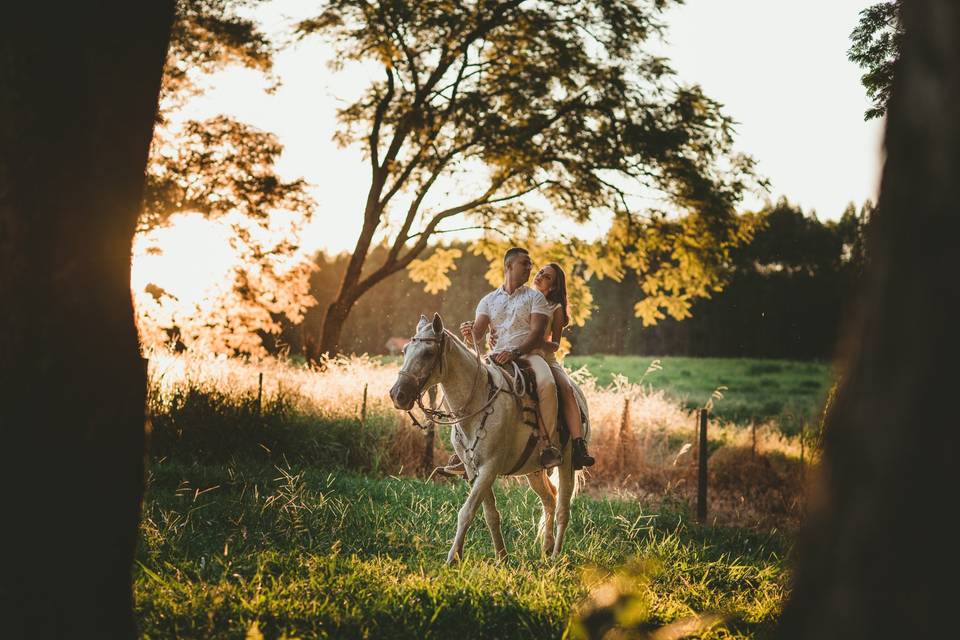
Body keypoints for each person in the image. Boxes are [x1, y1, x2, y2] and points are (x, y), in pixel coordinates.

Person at [458, 247, 563, 469]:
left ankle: (548, 445)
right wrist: (469, 333)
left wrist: (515, 352)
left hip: (527, 357)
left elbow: (536, 334)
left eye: (530, 264)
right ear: (509, 266)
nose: (529, 268)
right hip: (494, 360)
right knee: (469, 384)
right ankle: (464, 449)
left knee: (547, 384)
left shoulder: (536, 298)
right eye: (524, 263)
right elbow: (477, 335)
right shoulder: (487, 300)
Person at [529, 263, 595, 469]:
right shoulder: (524, 299)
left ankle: (578, 444)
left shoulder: (555, 308)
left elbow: (555, 344)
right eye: (540, 272)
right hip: (521, 356)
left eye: (547, 277)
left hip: (545, 358)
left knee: (565, 389)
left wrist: (538, 342)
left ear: (554, 287)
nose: (540, 276)